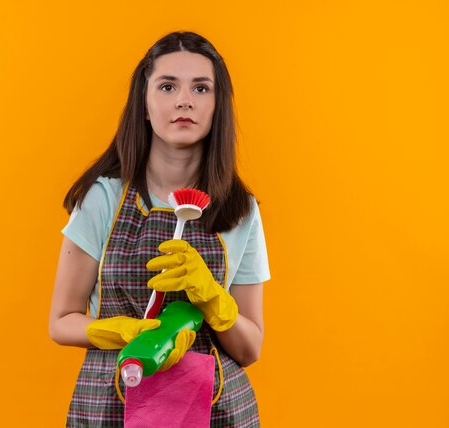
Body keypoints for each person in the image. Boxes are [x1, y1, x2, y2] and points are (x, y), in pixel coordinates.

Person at [49, 31, 271, 427]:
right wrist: (120, 331)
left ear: (218, 107)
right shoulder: (103, 198)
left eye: (201, 88)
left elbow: (250, 347)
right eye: (167, 86)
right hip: (111, 404)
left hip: (215, 409)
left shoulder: (240, 209)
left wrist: (213, 300)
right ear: (145, 105)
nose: (184, 100)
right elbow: (61, 321)